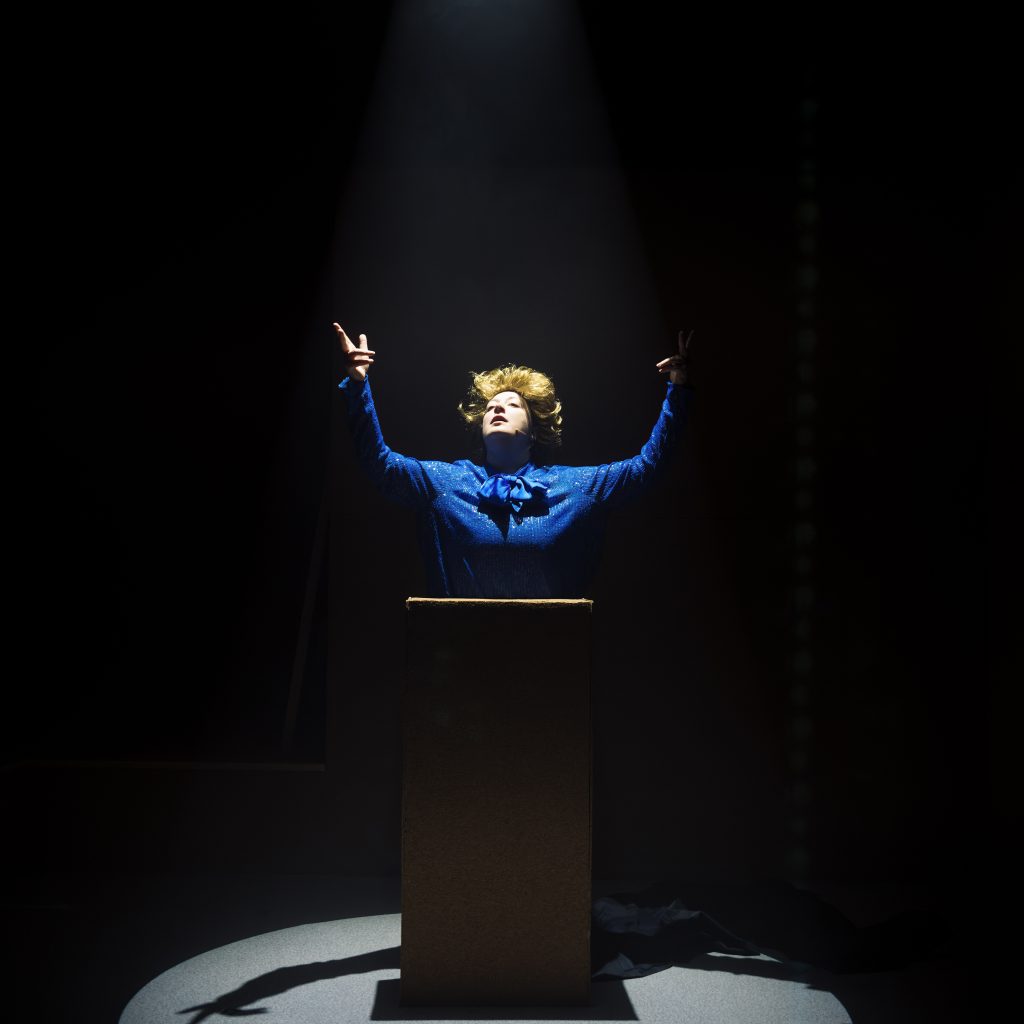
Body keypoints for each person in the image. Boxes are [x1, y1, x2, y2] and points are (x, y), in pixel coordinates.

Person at [333, 322, 694, 599]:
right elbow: (379, 463)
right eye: (491, 406)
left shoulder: (575, 486)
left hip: (551, 653)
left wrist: (677, 390)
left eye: (511, 404)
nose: (497, 408)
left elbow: (647, 468)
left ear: (534, 430)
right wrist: (358, 386)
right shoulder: (446, 482)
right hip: (460, 648)